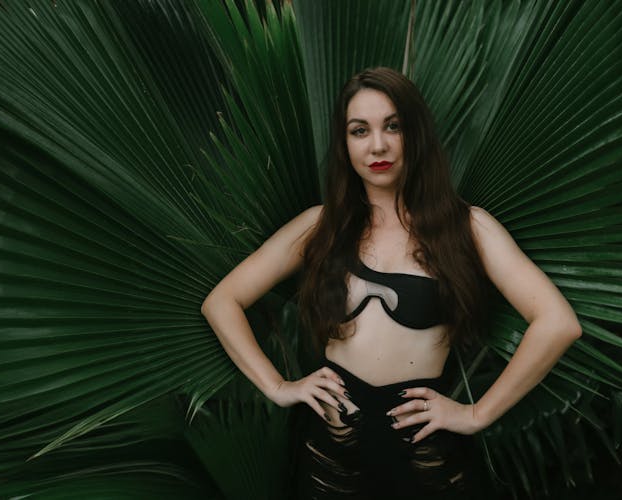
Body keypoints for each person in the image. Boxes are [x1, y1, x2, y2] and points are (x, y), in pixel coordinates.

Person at [201, 67, 582, 499]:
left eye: (393, 126)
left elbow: (557, 323)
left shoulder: (467, 227)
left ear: (415, 134)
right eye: (359, 130)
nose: (377, 145)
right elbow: (223, 301)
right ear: (344, 144)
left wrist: (477, 414)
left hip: (424, 454)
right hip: (329, 451)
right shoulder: (319, 226)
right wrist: (278, 386)